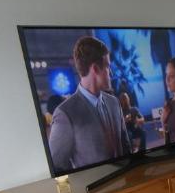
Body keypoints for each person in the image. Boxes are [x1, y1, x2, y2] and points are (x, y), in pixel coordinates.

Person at [47, 36, 131, 174]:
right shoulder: (66, 113)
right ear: (95, 69)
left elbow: (126, 147)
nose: (110, 72)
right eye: (108, 66)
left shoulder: (114, 102)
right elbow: (58, 167)